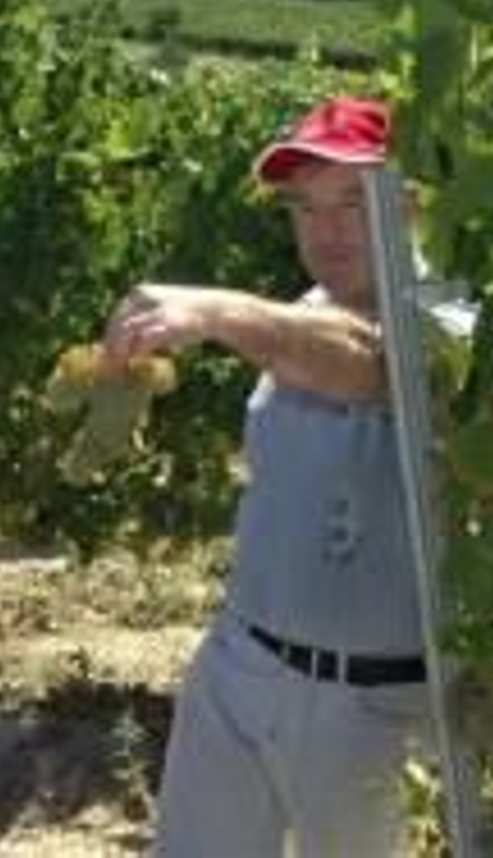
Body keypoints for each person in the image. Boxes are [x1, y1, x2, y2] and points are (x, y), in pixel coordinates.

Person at [101, 97, 473, 856]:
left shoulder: (451, 319)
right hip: (239, 669)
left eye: (350, 201)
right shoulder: (302, 312)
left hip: (370, 707)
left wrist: (216, 311)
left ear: (412, 203)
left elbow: (374, 363)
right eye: (306, 207)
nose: (325, 231)